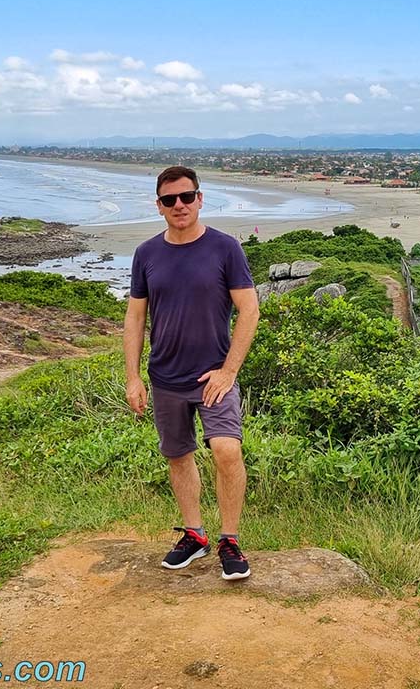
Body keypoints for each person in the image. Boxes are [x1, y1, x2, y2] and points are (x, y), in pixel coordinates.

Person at [123, 165, 261, 580]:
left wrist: (228, 371)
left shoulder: (224, 248)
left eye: (187, 197)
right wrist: (133, 377)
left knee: (226, 450)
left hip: (212, 378)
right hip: (165, 378)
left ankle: (230, 540)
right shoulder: (147, 253)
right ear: (159, 206)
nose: (179, 205)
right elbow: (135, 318)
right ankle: (195, 535)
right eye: (170, 200)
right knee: (178, 455)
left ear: (200, 199)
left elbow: (249, 310)